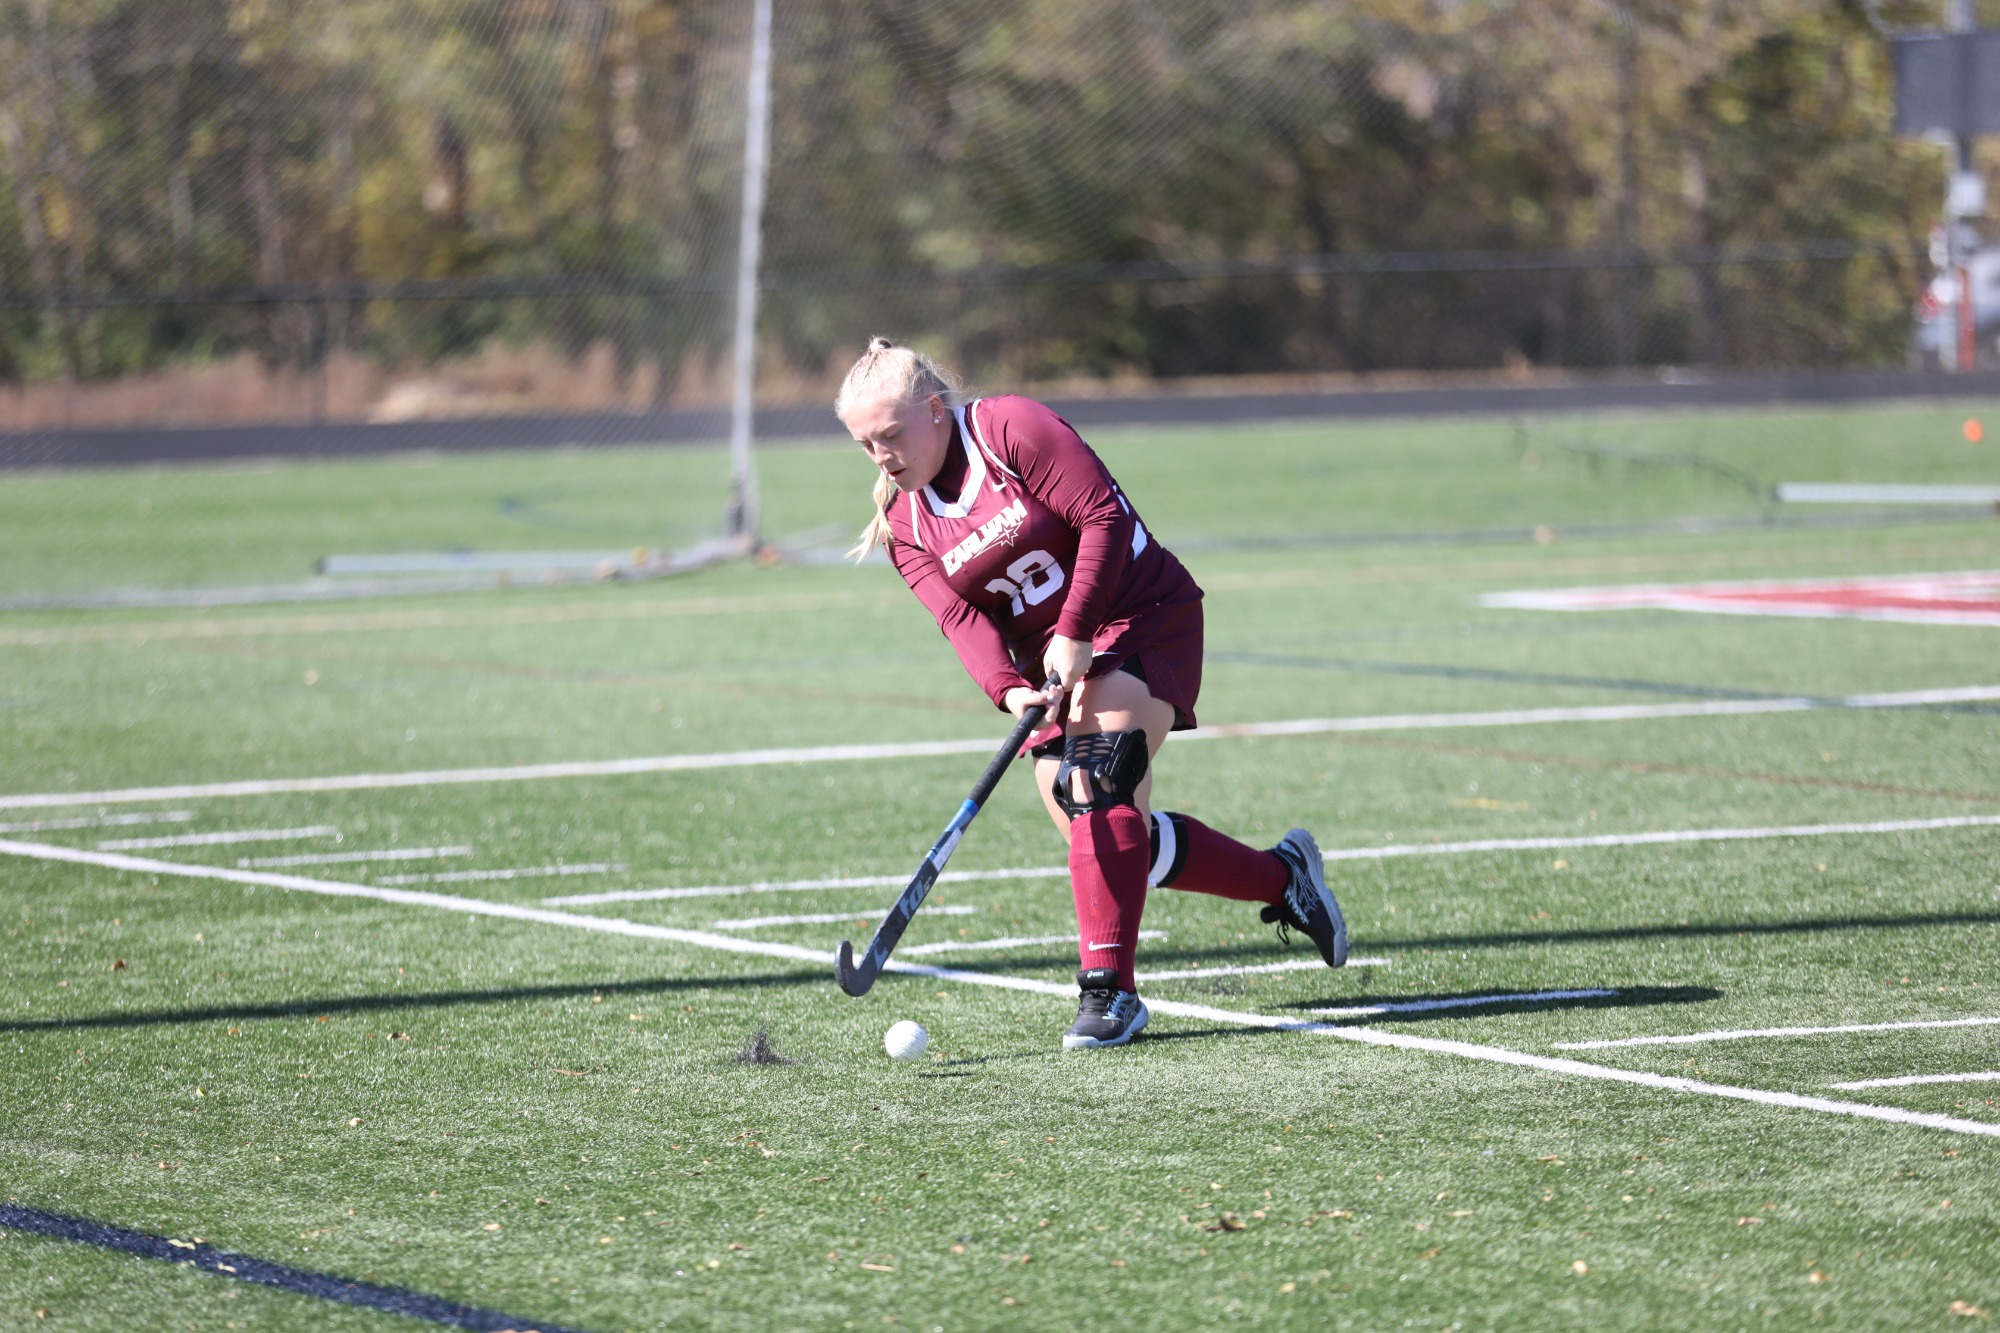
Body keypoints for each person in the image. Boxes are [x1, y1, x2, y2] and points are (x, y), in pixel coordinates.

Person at [837, 338, 1347, 1051]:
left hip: (1140, 613)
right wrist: (1010, 692)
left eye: (891, 435)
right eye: (866, 445)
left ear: (934, 409)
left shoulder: (1009, 428)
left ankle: (1110, 995)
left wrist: (1074, 630)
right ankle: (1283, 878)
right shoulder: (907, 521)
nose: (882, 456)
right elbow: (960, 620)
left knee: (1098, 778)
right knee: (1110, 840)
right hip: (1050, 669)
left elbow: (1103, 516)